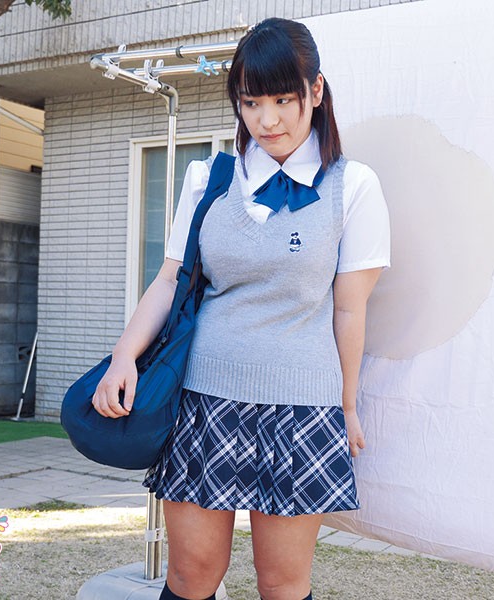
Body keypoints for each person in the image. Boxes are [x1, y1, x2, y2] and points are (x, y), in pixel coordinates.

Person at [93, 17, 391, 600]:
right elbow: (170, 279)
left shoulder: (353, 186)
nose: (268, 120)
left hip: (303, 409)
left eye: (283, 100)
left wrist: (348, 405)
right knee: (191, 576)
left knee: (282, 584)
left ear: (316, 91)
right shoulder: (209, 178)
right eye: (251, 103)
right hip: (204, 401)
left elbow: (349, 311)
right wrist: (123, 355)